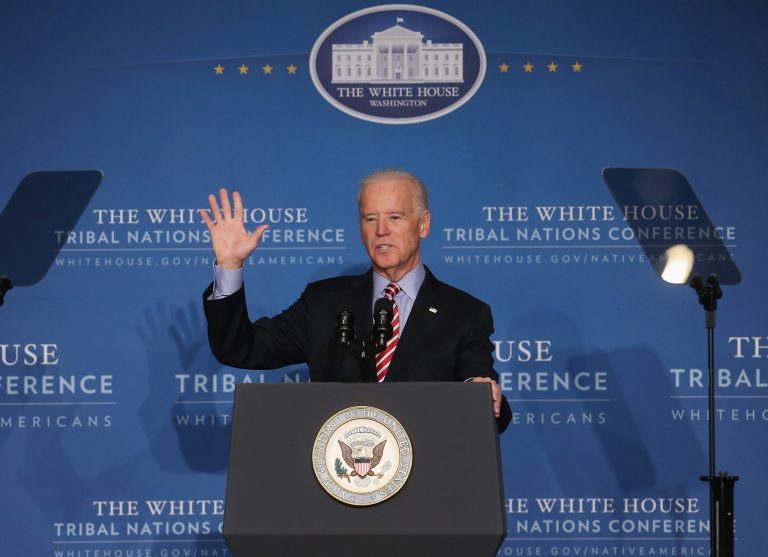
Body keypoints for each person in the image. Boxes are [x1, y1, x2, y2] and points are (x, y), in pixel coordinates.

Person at [200, 169, 511, 432]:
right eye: (370, 218)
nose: (381, 231)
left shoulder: (464, 314)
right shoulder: (323, 302)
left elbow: (489, 406)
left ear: (423, 224)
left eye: (395, 217)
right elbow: (242, 349)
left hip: (425, 487)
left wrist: (483, 395)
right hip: (336, 483)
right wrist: (229, 266)